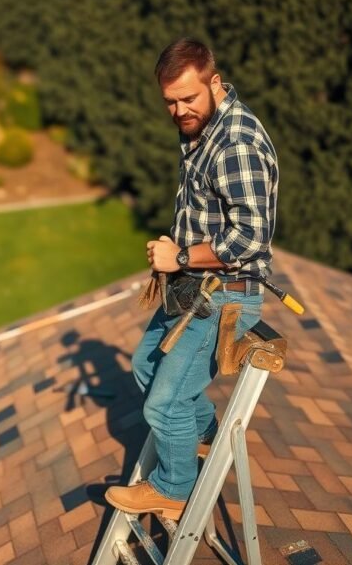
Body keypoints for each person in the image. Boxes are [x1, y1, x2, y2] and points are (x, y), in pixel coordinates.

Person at [104, 38, 279, 520]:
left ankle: (174, 489)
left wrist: (179, 253)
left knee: (161, 407)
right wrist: (178, 252)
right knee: (145, 367)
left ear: (215, 82)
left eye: (189, 98)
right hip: (193, 287)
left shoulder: (236, 143)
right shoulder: (202, 126)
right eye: (170, 102)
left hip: (225, 298)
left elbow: (251, 240)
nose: (179, 110)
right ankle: (199, 435)